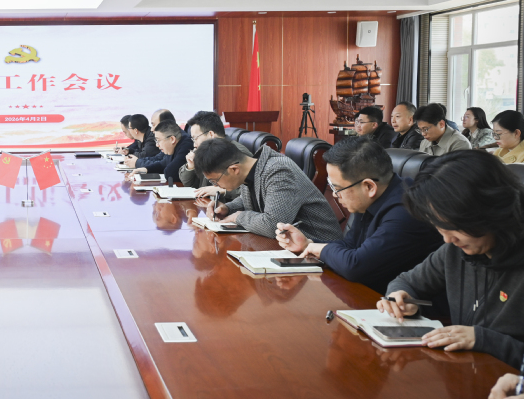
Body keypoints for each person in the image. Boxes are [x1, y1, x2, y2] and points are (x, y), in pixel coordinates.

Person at [379, 150, 524, 366]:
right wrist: (400, 296)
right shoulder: (456, 251)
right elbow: (407, 281)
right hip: (463, 371)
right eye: (439, 227)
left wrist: (485, 340)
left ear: (489, 211)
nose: (447, 239)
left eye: (452, 227)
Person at [276, 137, 442, 294]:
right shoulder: (372, 200)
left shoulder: (406, 211)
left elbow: (356, 267)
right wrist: (308, 244)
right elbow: (351, 246)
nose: (334, 195)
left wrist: (322, 250)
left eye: (337, 188)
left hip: (410, 307)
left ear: (369, 187)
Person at [195, 137, 342, 241]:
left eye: (215, 181)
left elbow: (273, 225)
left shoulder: (279, 170)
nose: (216, 186)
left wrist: (238, 217)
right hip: (289, 245)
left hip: (320, 247)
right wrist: (227, 208)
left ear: (234, 169)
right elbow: (254, 199)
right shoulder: (251, 169)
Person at [179, 111, 250, 201]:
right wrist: (191, 166)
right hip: (207, 204)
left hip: (229, 207)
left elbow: (251, 190)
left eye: (196, 138)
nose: (194, 145)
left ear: (211, 135)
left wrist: (222, 190)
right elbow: (188, 184)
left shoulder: (237, 153)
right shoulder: (206, 151)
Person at [127, 120, 193, 184]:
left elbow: (171, 174)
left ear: (172, 139)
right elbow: (163, 164)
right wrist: (146, 169)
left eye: (158, 140)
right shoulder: (172, 146)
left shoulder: (187, 145)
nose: (157, 145)